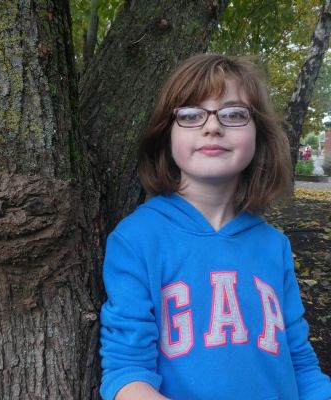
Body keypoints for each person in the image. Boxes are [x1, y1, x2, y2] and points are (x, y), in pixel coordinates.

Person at [99, 54, 331, 400]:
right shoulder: (136, 239)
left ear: (259, 134)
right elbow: (126, 373)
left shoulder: (274, 245)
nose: (212, 127)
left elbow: (302, 366)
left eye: (234, 114)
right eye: (190, 115)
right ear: (166, 133)